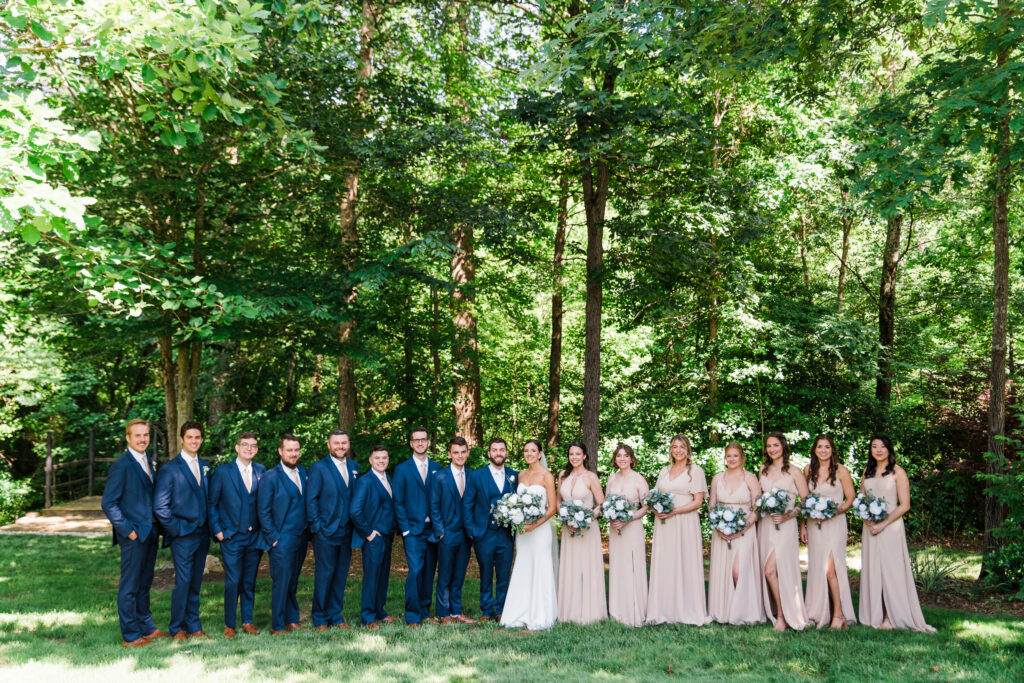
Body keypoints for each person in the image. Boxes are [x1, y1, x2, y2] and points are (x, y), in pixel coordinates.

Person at [859, 434, 935, 633]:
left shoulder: (897, 472)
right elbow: (861, 500)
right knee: (874, 570)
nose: (878, 450)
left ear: (889, 450)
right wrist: (867, 521)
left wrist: (882, 524)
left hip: (890, 527)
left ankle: (890, 617)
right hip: (870, 529)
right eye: (874, 446)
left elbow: (905, 506)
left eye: (883, 446)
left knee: (890, 571)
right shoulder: (867, 471)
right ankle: (876, 613)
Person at [101, 419, 166, 647]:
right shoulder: (122, 466)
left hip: (150, 533)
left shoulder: (148, 460)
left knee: (144, 582)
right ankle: (130, 635)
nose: (142, 439)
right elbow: (109, 503)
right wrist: (128, 531)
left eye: (146, 435)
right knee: (129, 586)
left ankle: (146, 627)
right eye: (137, 435)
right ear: (128, 438)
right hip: (134, 536)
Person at [154, 421, 211, 640]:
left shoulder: (205, 466)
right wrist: (176, 529)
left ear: (201, 440)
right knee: (183, 581)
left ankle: (194, 626)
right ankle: (177, 627)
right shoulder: (170, 468)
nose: (194, 441)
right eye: (190, 437)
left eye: (197, 437)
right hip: (182, 535)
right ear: (181, 439)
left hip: (202, 534)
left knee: (196, 582)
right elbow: (160, 506)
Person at [208, 431, 268, 638]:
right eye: (245, 445)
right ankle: (229, 624)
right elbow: (212, 504)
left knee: (249, 580)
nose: (249, 448)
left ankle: (248, 621)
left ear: (256, 449)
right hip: (232, 536)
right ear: (237, 447)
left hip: (254, 536)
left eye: (253, 445)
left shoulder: (261, 471)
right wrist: (219, 531)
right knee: (233, 580)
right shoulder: (223, 472)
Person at [646, 434, 710, 626]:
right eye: (675, 447)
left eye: (682, 447)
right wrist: (656, 508)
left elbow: (698, 502)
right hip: (665, 524)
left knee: (685, 561)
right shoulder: (664, 470)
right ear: (670, 450)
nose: (678, 450)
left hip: (685, 522)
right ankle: (664, 609)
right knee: (666, 562)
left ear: (688, 450)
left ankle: (687, 609)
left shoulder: (695, 471)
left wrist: (675, 511)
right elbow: (655, 495)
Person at [306, 429, 361, 631]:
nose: (340, 446)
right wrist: (317, 527)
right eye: (336, 443)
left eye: (344, 443)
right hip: (325, 531)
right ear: (329, 445)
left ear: (348, 445)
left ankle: (335, 615)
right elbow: (311, 499)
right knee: (324, 574)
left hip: (346, 531)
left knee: (340, 575)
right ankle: (320, 618)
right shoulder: (318, 468)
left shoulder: (354, 467)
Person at [501, 440, 558, 630]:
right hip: (522, 531)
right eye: (526, 450)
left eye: (533, 450)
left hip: (539, 531)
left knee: (540, 566)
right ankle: (519, 612)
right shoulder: (520, 475)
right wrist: (517, 520)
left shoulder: (547, 476)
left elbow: (552, 508)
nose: (529, 453)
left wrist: (534, 526)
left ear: (540, 453)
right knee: (523, 566)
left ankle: (541, 614)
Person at [800, 433, 856, 629]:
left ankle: (839, 615)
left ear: (832, 450)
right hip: (815, 525)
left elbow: (850, 500)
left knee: (830, 568)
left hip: (834, 524)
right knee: (817, 568)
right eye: (819, 447)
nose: (823, 450)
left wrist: (831, 512)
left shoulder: (841, 471)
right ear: (814, 450)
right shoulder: (808, 470)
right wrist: (803, 525)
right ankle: (819, 611)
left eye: (827, 447)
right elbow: (805, 500)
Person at [707, 442, 765, 625]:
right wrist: (719, 527)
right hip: (722, 531)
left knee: (738, 571)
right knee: (723, 572)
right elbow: (712, 506)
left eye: (735, 456)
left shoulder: (750, 478)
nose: (731, 459)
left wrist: (743, 527)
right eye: (728, 456)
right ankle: (724, 611)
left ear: (742, 457)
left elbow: (758, 508)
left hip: (744, 529)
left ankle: (744, 612)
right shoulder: (717, 478)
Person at [257, 434, 309, 635]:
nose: (293, 454)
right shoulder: (270, 477)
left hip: (301, 537)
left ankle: (292, 619)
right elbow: (264, 510)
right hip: (281, 538)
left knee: (293, 579)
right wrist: (273, 538)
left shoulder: (304, 472)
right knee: (281, 580)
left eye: (296, 450)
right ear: (281, 451)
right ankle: (277, 624)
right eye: (289, 450)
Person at [758, 431, 809, 631]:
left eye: (776, 445)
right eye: (769, 446)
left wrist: (790, 516)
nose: (772, 449)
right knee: (770, 571)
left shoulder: (794, 472)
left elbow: (806, 502)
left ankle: (783, 615)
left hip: (785, 526)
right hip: (766, 526)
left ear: (783, 447)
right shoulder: (763, 470)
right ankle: (776, 610)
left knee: (771, 570)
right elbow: (759, 497)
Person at [463, 437, 518, 621]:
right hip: (484, 533)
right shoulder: (476, 476)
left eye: (501, 450)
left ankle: (502, 608)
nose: (498, 453)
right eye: (494, 450)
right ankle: (487, 610)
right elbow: (467, 504)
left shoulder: (514, 476)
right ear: (489, 453)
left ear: (506, 452)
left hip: (505, 534)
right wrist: (471, 530)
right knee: (485, 572)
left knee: (503, 573)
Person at [393, 427, 441, 627]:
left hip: (433, 530)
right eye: (416, 440)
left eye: (424, 439)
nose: (420, 443)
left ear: (429, 442)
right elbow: (398, 501)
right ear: (411, 444)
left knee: (429, 571)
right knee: (415, 571)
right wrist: (405, 529)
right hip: (412, 530)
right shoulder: (402, 469)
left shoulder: (437, 468)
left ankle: (424, 610)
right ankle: (412, 615)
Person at [556, 441, 607, 624]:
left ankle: (590, 612)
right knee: (571, 568)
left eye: (578, 454)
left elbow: (602, 504)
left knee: (587, 567)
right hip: (568, 529)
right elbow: (558, 501)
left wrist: (584, 520)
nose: (574, 457)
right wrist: (566, 519)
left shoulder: (591, 477)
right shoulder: (563, 475)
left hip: (587, 529)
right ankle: (569, 612)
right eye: (571, 454)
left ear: (584, 456)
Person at [429, 437, 477, 624]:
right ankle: (443, 613)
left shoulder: (473, 476)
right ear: (449, 454)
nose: (459, 455)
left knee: (459, 573)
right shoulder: (440, 477)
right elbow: (433, 506)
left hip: (466, 535)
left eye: (463, 452)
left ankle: (456, 611)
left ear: (467, 453)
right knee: (445, 573)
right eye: (455, 452)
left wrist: (472, 531)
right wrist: (440, 531)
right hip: (447, 533)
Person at [351, 445, 397, 628]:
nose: (381, 461)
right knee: (372, 577)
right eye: (377, 458)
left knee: (383, 576)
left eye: (384, 457)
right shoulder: (365, 481)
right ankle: (368, 617)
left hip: (387, 536)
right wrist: (368, 533)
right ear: (370, 460)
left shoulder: (389, 478)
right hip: (374, 538)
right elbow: (355, 511)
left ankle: (380, 611)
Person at [605, 443, 650, 627]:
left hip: (632, 528)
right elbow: (606, 504)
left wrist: (627, 518)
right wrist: (612, 520)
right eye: (618, 456)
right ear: (615, 459)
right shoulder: (611, 479)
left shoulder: (639, 479)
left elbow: (647, 507)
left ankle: (635, 611)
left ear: (631, 458)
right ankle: (617, 611)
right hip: (616, 529)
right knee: (618, 566)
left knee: (633, 566)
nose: (622, 459)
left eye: (625, 456)